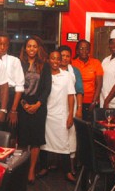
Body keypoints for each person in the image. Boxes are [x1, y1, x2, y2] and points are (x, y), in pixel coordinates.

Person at [17, 36, 51, 184]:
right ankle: (22, 170)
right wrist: (24, 104)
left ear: (38, 49)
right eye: (29, 46)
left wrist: (38, 104)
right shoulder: (20, 64)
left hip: (39, 106)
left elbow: (47, 88)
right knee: (23, 140)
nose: (31, 49)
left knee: (36, 140)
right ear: (25, 48)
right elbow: (16, 86)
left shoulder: (45, 65)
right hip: (22, 104)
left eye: (34, 46)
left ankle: (31, 170)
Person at [40, 50, 76, 182]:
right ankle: (44, 167)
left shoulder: (66, 76)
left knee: (63, 143)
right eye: (52, 58)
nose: (55, 61)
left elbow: (71, 95)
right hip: (46, 114)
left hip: (61, 115)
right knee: (43, 143)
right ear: (48, 60)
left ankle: (67, 171)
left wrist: (70, 114)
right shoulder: (44, 75)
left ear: (60, 61)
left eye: (58, 59)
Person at [0, 31, 25, 146]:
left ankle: (10, 163)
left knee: (11, 134)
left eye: (5, 44)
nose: (2, 47)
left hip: (11, 99)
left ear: (8, 45)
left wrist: (13, 110)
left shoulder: (14, 61)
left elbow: (19, 87)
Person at [58, 45, 83, 176]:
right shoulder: (52, 70)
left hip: (70, 105)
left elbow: (79, 91)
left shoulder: (75, 71)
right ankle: (57, 164)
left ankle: (71, 167)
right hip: (56, 106)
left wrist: (78, 109)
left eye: (68, 56)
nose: (65, 58)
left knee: (71, 135)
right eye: (62, 56)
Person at [72, 39, 103, 121]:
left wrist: (94, 102)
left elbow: (99, 84)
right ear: (77, 51)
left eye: (86, 49)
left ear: (89, 50)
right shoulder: (72, 63)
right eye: (81, 49)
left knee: (90, 128)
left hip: (91, 102)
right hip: (76, 102)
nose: (84, 51)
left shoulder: (96, 63)